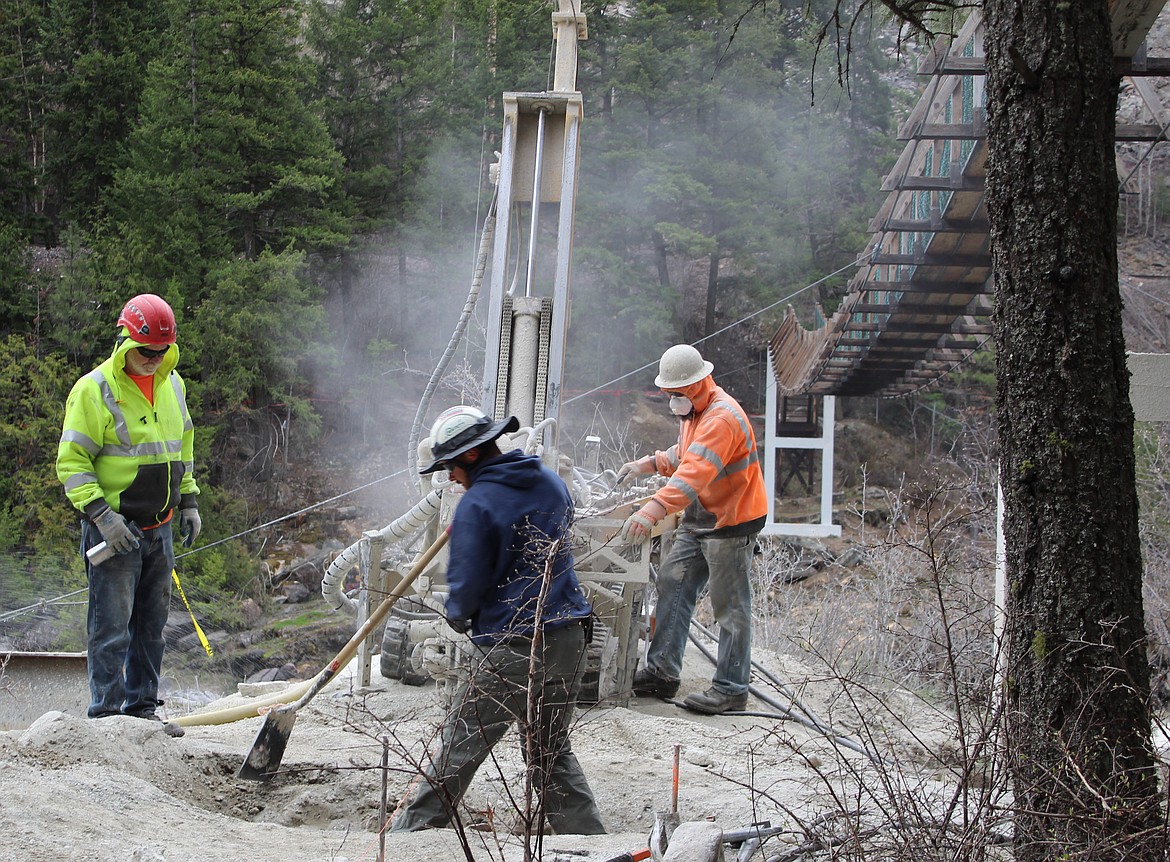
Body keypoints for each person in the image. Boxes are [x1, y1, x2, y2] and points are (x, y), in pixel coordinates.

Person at [391, 405, 605, 835]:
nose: (450, 476)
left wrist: (457, 615)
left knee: (459, 747)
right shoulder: (550, 482)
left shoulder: (477, 503)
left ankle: (406, 839)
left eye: (451, 466)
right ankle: (589, 842)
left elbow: (466, 589)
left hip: (512, 645)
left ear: (470, 456)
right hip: (570, 636)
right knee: (549, 750)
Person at [56, 294, 201, 728]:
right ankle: (107, 718)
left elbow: (183, 448)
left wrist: (189, 500)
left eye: (161, 351)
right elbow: (72, 463)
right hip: (114, 531)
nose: (153, 359)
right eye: (145, 351)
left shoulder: (173, 385)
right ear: (124, 341)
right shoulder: (94, 390)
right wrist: (102, 516)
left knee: (152, 629)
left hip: (161, 530)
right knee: (111, 630)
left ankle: (142, 710)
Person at [616, 344, 767, 715]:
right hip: (701, 519)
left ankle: (731, 689)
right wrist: (648, 464)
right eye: (668, 395)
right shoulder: (695, 411)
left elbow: (693, 473)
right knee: (671, 581)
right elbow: (685, 453)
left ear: (697, 385)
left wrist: (651, 510)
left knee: (730, 607)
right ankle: (661, 672)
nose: (671, 402)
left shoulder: (722, 419)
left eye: (675, 395)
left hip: (730, 522)